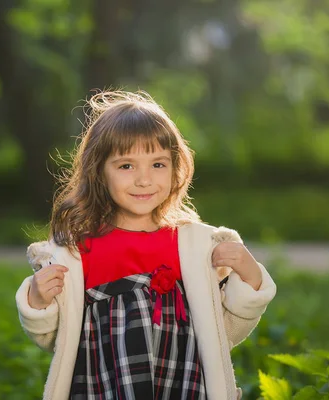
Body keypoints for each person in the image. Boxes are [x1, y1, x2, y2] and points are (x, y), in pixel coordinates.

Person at [15, 91, 276, 400]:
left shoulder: (193, 247)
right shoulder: (77, 252)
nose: (144, 180)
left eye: (158, 164)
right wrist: (37, 300)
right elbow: (56, 338)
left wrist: (250, 278)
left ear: (175, 167)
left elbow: (224, 333)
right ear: (99, 171)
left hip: (181, 388)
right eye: (126, 166)